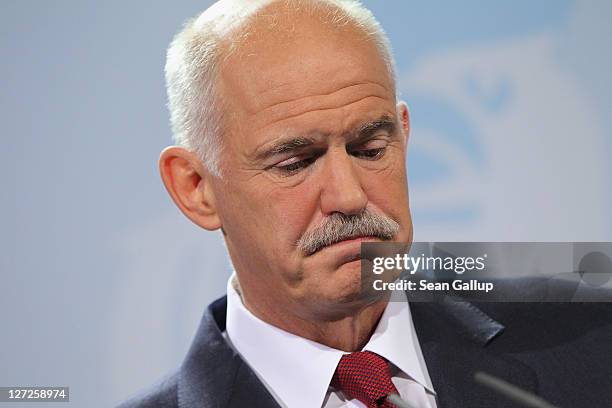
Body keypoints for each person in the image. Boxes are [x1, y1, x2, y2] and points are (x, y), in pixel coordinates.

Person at [119, 1, 612, 407]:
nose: (349, 196)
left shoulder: (592, 341)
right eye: (295, 162)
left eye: (370, 149)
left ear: (404, 133)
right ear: (196, 187)